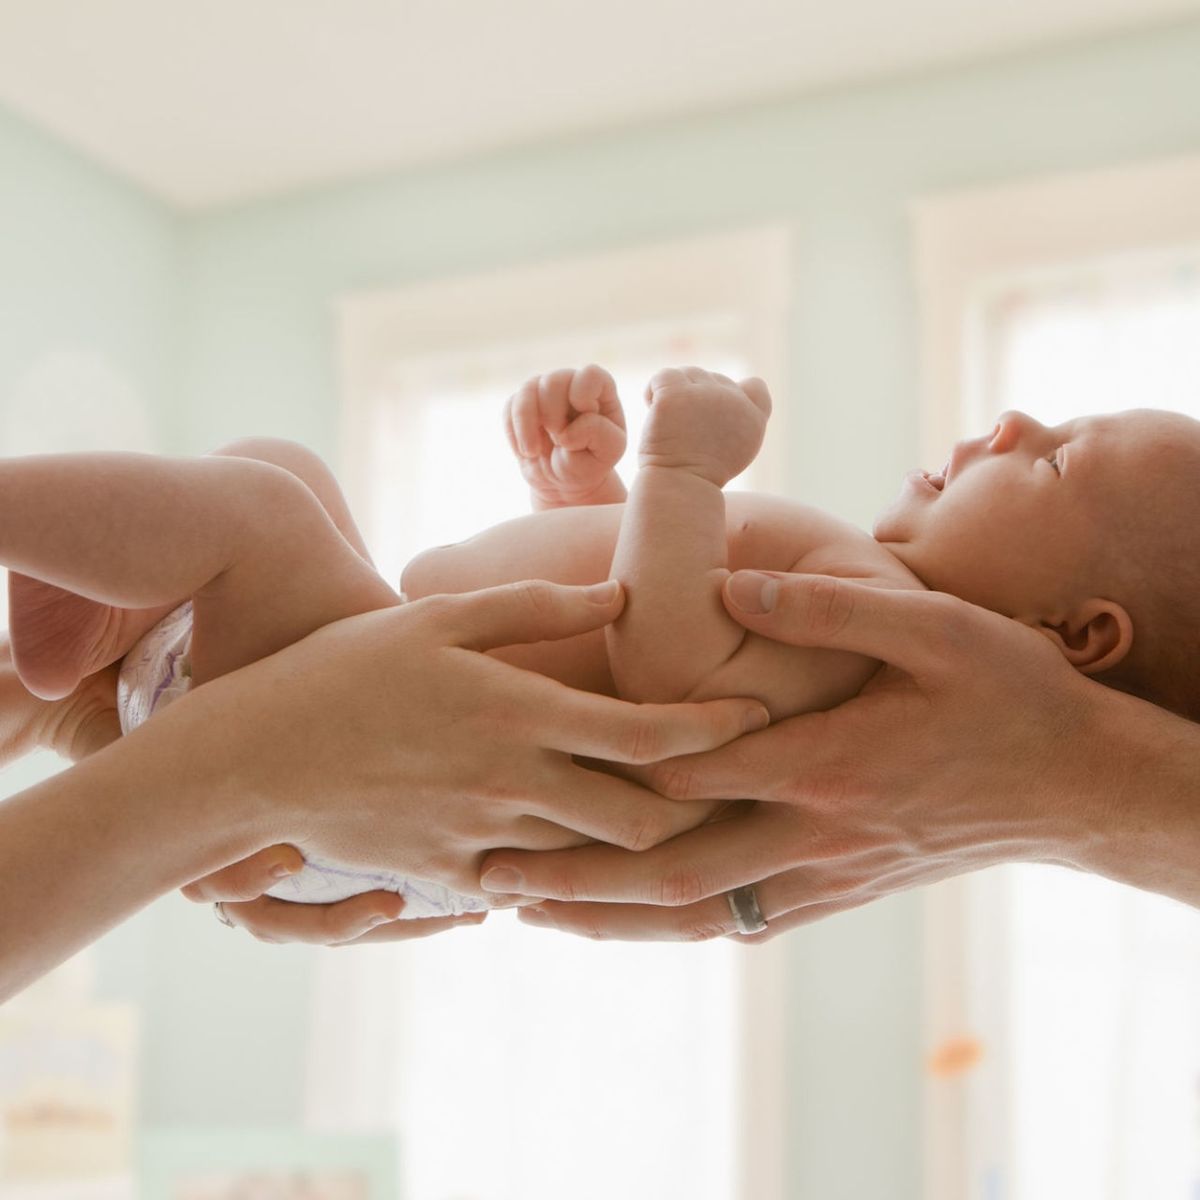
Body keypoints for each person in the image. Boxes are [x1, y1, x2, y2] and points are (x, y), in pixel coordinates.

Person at [10, 365, 1200, 943]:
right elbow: (601, 603)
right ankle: (106, 649)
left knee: (266, 507)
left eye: (1052, 460)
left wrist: (682, 474)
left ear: (1078, 636)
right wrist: (583, 497)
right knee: (285, 479)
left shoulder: (883, 653)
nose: (1011, 425)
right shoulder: (882, 639)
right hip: (354, 750)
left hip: (362, 778)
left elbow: (668, 675)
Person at [0, 579, 765, 1002]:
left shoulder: (791, 602)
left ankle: (24, 506)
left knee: (273, 484)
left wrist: (682, 465)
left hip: (319, 794)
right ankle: (71, 681)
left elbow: (640, 621)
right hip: (356, 868)